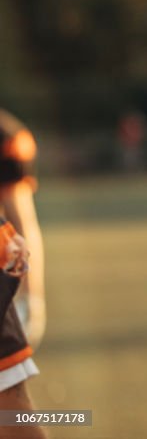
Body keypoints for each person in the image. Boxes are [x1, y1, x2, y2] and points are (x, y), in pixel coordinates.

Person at [0, 111, 45, 349]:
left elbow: (23, 227)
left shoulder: (7, 141)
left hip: (9, 143)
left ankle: (28, 302)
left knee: (17, 224)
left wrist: (31, 297)